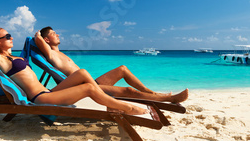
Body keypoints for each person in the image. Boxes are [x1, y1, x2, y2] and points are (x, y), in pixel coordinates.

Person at [0, 27, 148, 116]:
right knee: (88, 88)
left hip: (48, 91)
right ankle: (124, 107)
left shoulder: (14, 58)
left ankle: (109, 104)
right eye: (7, 36)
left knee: (82, 73)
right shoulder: (2, 61)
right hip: (40, 98)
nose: (11, 38)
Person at [34, 26, 189, 103]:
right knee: (127, 90)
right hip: (80, 87)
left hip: (91, 81)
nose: (58, 34)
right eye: (53, 34)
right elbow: (37, 39)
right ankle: (168, 99)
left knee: (122, 69)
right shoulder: (51, 54)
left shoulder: (61, 53)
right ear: (46, 40)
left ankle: (152, 93)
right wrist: (38, 35)